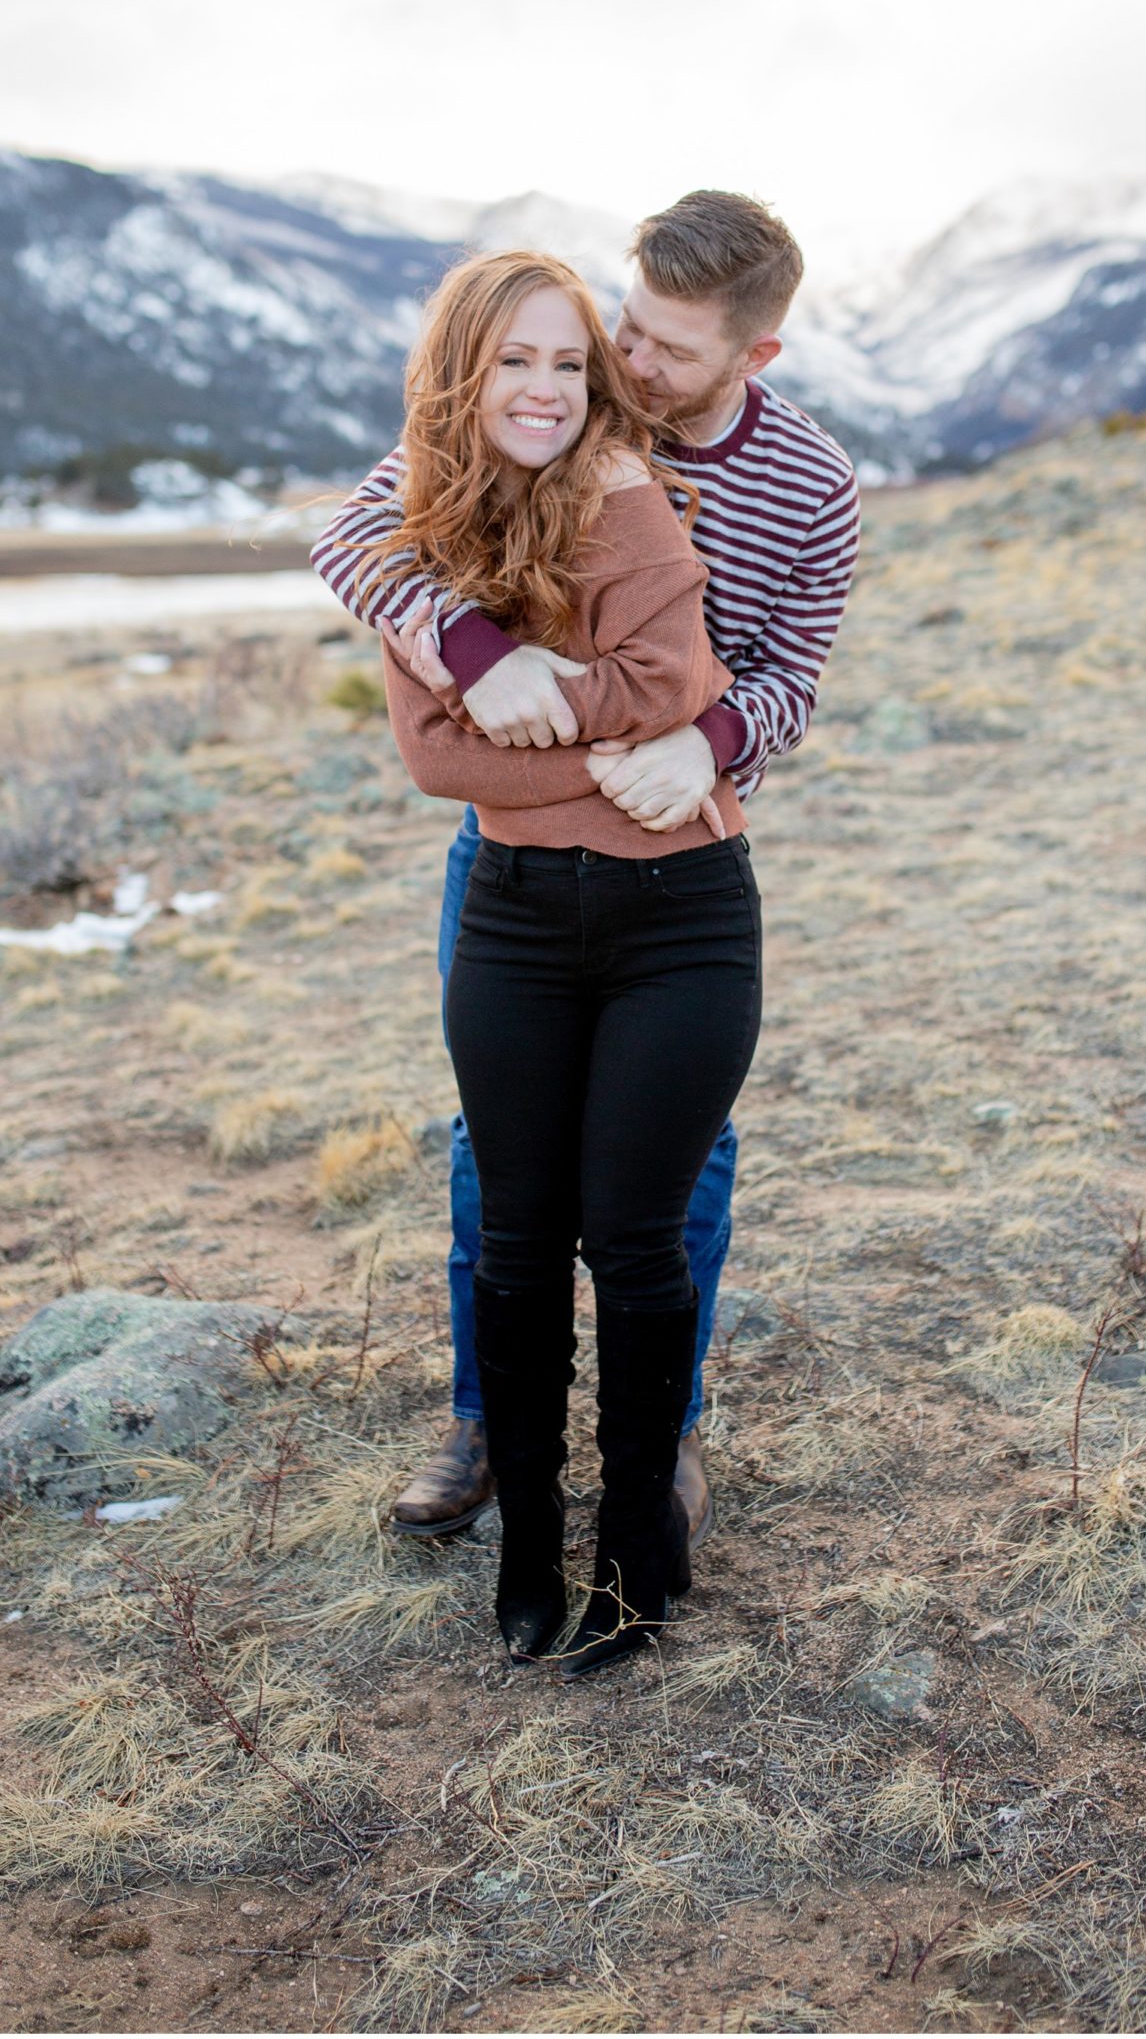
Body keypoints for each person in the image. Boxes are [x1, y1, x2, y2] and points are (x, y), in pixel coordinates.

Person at [312, 190, 860, 1547]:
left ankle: (657, 1434)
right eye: (626, 324)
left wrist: (717, 742)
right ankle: (486, 1415)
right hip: (508, 848)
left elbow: (795, 677)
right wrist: (475, 653)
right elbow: (355, 538)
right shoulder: (558, 408)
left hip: (677, 861)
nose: (627, 362)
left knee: (681, 1166)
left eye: (668, 349)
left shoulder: (812, 489)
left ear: (756, 357)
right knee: (493, 1151)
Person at [375, 246, 761, 1674]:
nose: (542, 388)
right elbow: (430, 756)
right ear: (459, 376)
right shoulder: (420, 532)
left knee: (636, 1238)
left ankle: (635, 1553)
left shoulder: (632, 505)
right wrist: (596, 745)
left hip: (682, 920)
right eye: (512, 361)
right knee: (520, 1240)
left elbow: (685, 684)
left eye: (566, 362)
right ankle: (528, 1546)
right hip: (516, 919)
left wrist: (547, 719)